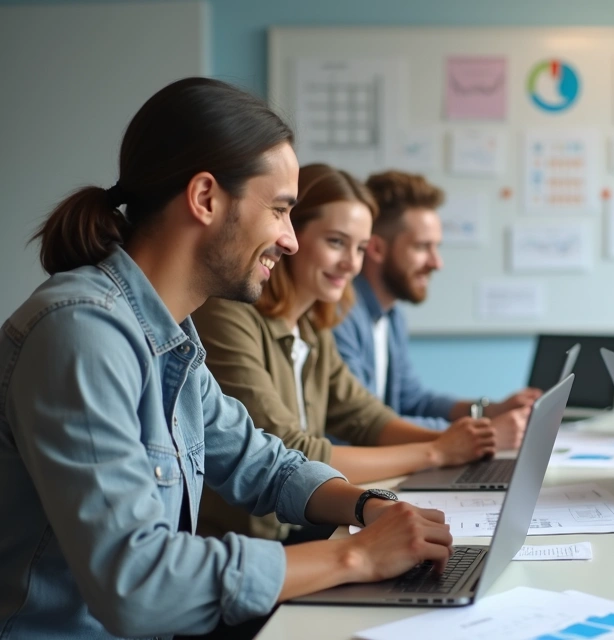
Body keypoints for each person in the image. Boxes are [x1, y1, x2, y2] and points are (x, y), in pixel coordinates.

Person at [0, 78, 456, 638]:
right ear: (206, 198)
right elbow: (137, 584)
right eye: (281, 211)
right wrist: (357, 558)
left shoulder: (171, 338)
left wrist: (370, 508)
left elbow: (262, 463)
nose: (290, 241)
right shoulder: (80, 334)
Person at [192, 164, 497, 543]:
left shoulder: (312, 327)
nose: (352, 264)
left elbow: (366, 417)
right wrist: (435, 452)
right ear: (291, 234)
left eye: (360, 248)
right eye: (336, 242)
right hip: (244, 544)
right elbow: (293, 449)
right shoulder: (229, 315)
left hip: (297, 530)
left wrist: (458, 446)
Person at [333, 170, 538, 439]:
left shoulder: (391, 316)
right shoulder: (340, 315)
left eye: (436, 247)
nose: (436, 263)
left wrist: (490, 411)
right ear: (377, 248)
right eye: (421, 247)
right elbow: (366, 422)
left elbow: (414, 400)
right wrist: (483, 433)